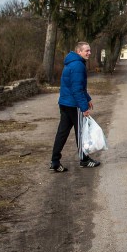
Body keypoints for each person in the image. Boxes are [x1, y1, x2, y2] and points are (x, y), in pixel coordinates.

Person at [50, 41, 101, 172]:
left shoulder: (71, 63)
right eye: (87, 51)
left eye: (89, 50)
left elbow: (78, 86)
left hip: (65, 103)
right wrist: (84, 107)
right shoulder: (78, 65)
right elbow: (77, 89)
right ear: (79, 51)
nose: (89, 53)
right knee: (82, 133)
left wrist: (88, 98)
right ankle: (84, 160)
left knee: (62, 133)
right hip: (74, 105)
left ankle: (55, 162)